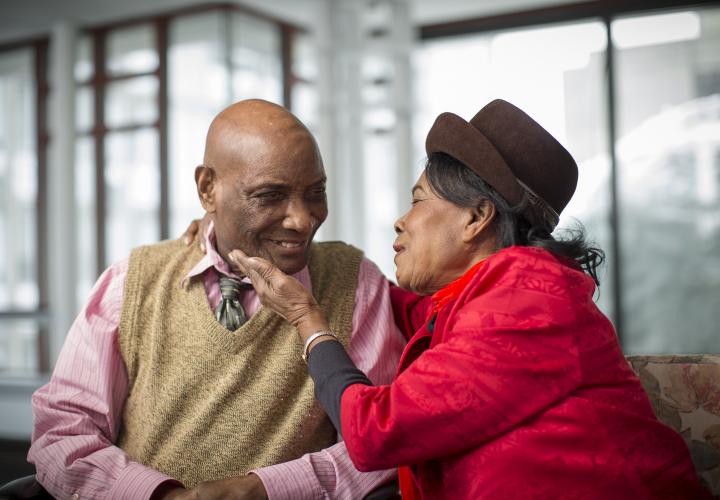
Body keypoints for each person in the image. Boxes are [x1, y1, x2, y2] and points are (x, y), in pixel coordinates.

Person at [227, 99, 711, 499]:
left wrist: (306, 320)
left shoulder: (530, 303)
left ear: (476, 217)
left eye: (418, 201)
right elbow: (386, 300)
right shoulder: (480, 301)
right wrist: (226, 229)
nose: (402, 220)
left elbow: (376, 430)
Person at [28, 99, 405, 499]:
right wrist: (159, 496)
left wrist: (264, 490)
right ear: (208, 189)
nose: (302, 219)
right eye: (270, 195)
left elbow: (389, 441)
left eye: (316, 192)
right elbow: (63, 431)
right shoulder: (130, 283)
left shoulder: (356, 281)